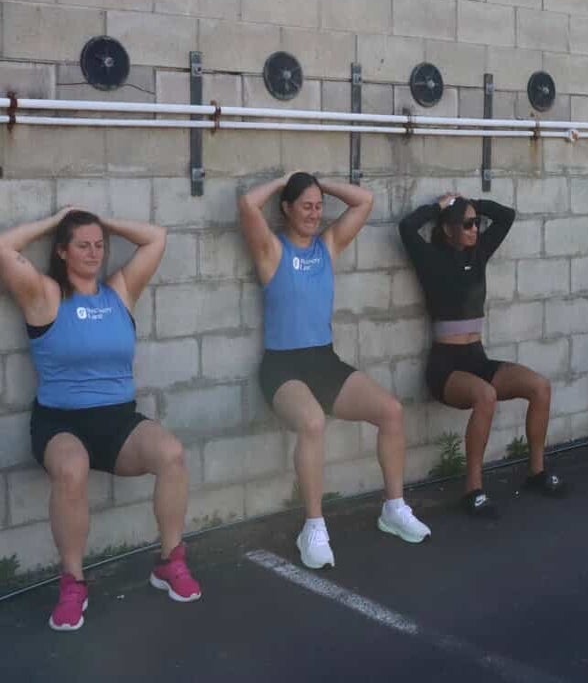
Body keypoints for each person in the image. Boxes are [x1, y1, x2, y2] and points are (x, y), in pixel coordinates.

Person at [0, 207, 201, 631]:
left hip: (118, 422)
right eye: (82, 245)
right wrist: (59, 217)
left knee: (172, 454)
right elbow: (4, 248)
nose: (94, 252)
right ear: (61, 251)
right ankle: (73, 583)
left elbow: (157, 236)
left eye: (99, 245)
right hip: (60, 423)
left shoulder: (120, 292)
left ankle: (170, 560)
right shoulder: (45, 295)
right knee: (72, 468)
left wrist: (102, 222)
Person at [239, 172, 430, 570]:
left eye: (318, 206)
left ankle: (394, 508)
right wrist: (284, 180)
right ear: (286, 209)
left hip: (324, 361)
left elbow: (365, 201)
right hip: (282, 367)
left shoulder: (327, 247)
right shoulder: (272, 250)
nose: (314, 213)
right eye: (305, 206)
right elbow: (247, 204)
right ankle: (313, 527)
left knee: (391, 411)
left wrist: (321, 184)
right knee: (312, 422)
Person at [399, 192, 564, 519]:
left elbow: (506, 216)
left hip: (477, 359)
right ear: (448, 229)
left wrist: (472, 202)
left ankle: (537, 472)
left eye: (476, 223)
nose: (475, 229)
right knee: (485, 396)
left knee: (540, 387)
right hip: (445, 367)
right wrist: (438, 207)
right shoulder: (430, 258)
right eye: (467, 224)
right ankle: (473, 490)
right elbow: (406, 227)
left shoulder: (478, 254)